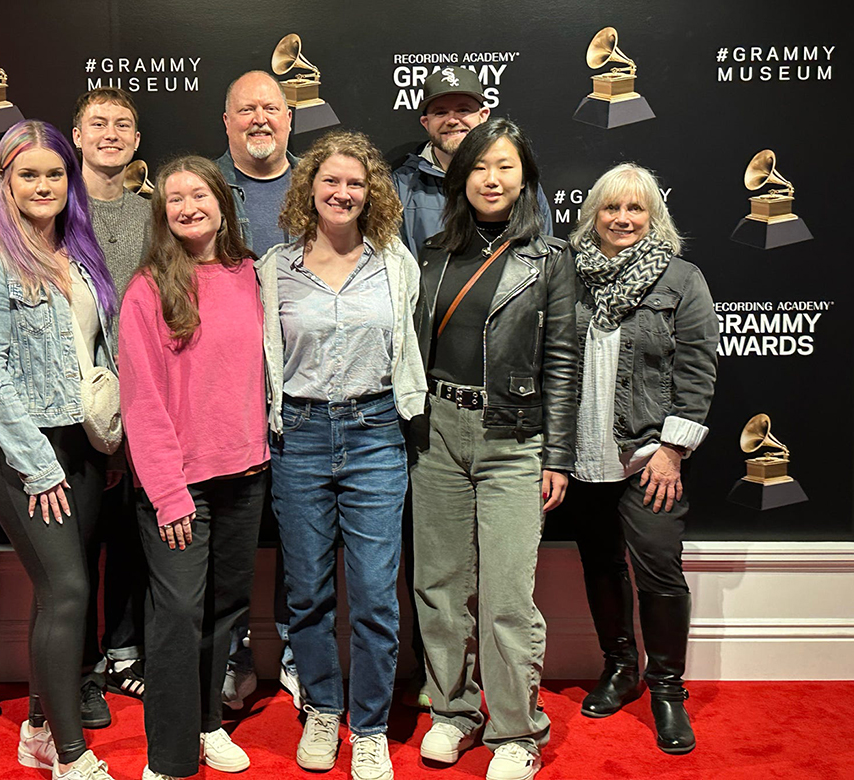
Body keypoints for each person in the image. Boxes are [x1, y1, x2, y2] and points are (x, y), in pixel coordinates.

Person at [409, 119, 577, 780]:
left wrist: (556, 455)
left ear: (525, 178)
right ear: (461, 178)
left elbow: (563, 363)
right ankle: (453, 714)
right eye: (480, 167)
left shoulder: (550, 259)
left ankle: (516, 731)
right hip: (437, 434)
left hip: (514, 440)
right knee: (441, 588)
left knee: (507, 594)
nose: (492, 179)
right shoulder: (431, 253)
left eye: (505, 166)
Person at [260, 130, 427, 780]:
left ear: (371, 193)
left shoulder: (395, 264)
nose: (342, 191)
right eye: (330, 181)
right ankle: (323, 710)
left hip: (377, 433)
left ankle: (373, 726)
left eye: (355, 183)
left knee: (377, 596)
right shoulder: (274, 268)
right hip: (297, 436)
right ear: (310, 189)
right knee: (307, 593)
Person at [0, 120, 119, 780]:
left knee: (66, 593)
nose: (45, 184)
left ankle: (38, 729)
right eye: (29, 173)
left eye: (56, 172)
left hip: (79, 445)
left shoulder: (78, 253)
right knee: (68, 588)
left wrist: (103, 445)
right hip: (19, 449)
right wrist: (38, 464)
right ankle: (71, 757)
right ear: (4, 181)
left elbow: (92, 354)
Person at [118, 155, 269, 780]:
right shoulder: (147, 288)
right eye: (174, 199)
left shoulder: (250, 275)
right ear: (162, 213)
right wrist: (168, 494)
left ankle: (210, 724)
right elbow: (142, 402)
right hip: (179, 486)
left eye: (199, 194)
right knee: (178, 613)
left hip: (246, 474)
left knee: (225, 610)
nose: (188, 207)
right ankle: (170, 758)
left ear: (221, 203)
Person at [562, 163, 718, 754]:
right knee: (600, 564)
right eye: (611, 208)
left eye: (636, 209)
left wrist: (673, 451)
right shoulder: (568, 275)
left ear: (654, 216)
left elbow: (699, 368)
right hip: (582, 456)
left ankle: (667, 689)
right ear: (593, 214)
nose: (623, 219)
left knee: (657, 567)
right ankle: (620, 669)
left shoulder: (681, 279)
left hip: (650, 455)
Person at [215, 69, 301, 709]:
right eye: (246, 110)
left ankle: (300, 653)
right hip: (223, 398)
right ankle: (231, 654)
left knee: (301, 536)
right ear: (227, 122)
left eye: (271, 108)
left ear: (290, 118)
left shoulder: (321, 184)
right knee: (230, 540)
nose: (260, 120)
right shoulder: (199, 186)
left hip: (303, 394)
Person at [71, 86, 153, 722]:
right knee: (76, 548)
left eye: (122, 125)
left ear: (135, 141)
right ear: (76, 136)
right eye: (97, 123)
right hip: (74, 406)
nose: (110, 133)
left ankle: (126, 652)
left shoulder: (154, 214)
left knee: (131, 535)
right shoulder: (51, 208)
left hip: (144, 401)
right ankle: (79, 672)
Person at [393, 67, 554, 259]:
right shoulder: (400, 187)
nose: (452, 120)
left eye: (463, 110)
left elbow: (542, 262)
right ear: (426, 122)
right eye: (440, 112)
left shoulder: (517, 181)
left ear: (484, 115)